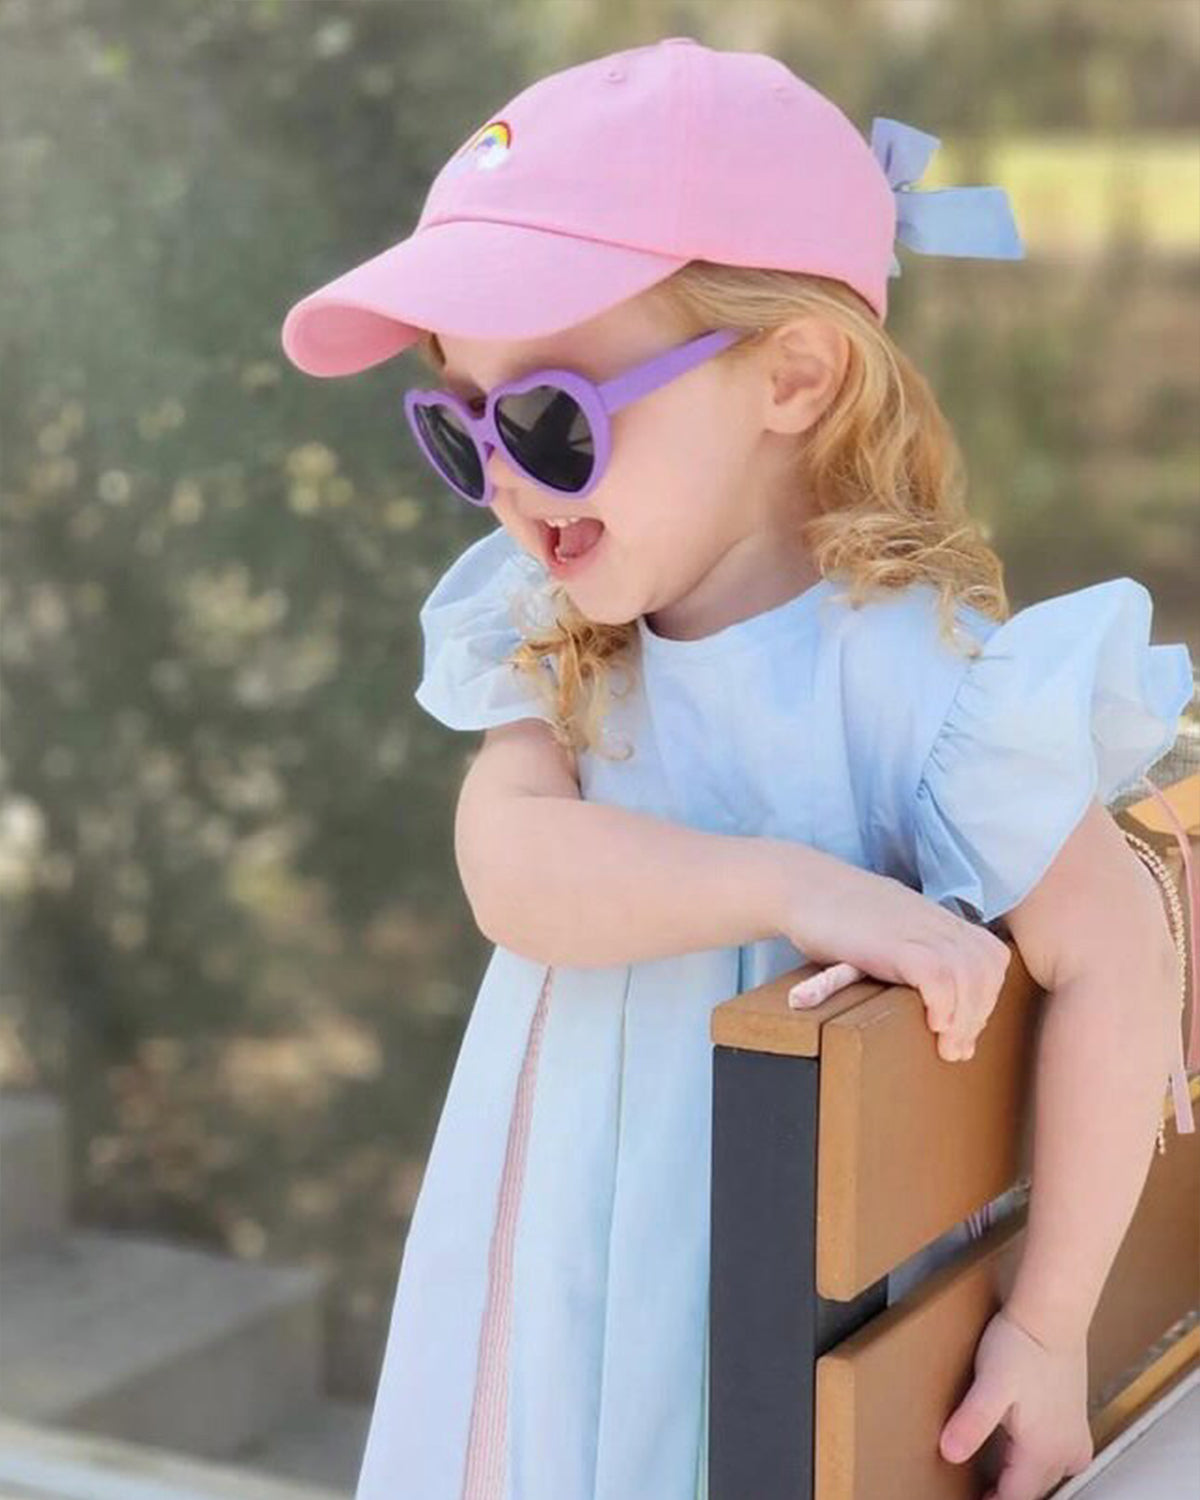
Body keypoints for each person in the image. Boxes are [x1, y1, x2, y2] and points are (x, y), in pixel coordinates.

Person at [280, 36, 1198, 1500]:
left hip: (755, 1310)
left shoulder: (914, 685)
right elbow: (511, 871)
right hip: (555, 1274)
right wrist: (796, 889)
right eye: (460, 433)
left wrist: (1045, 1324)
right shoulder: (565, 644)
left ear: (793, 376)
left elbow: (1120, 955)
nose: (506, 485)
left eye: (548, 421)